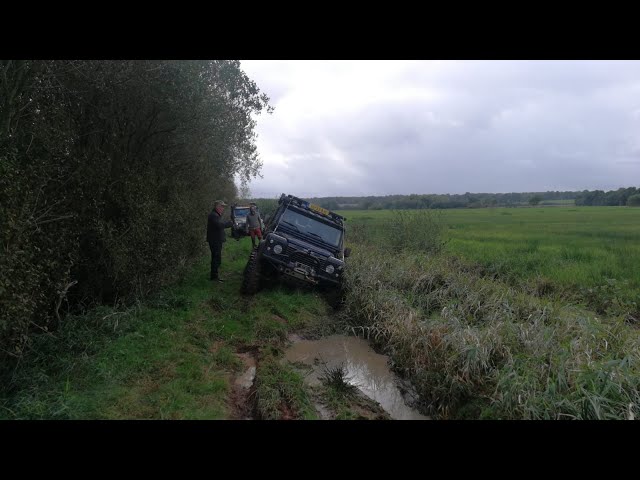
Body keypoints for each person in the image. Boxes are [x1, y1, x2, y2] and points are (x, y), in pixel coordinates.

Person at [207, 200, 233, 282]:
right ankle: (214, 277)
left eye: (223, 207)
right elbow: (220, 225)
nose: (223, 208)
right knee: (216, 258)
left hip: (216, 240)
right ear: (217, 207)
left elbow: (221, 223)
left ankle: (215, 275)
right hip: (215, 241)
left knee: (217, 258)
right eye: (222, 206)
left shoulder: (216, 215)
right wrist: (229, 224)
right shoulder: (213, 215)